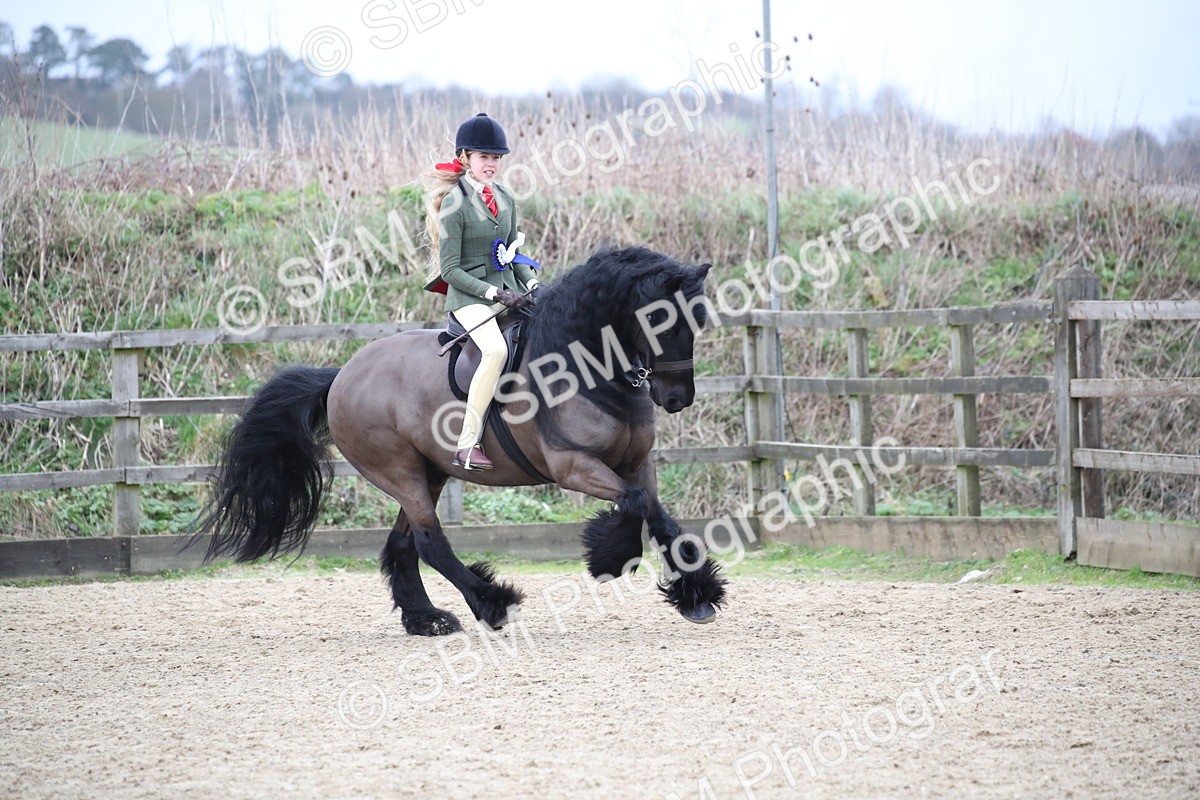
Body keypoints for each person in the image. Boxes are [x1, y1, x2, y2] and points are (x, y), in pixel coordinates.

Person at [422, 112, 540, 471]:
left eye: (496, 158)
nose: (492, 164)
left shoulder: (505, 197)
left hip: (511, 289)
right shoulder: (454, 205)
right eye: (484, 157)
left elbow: (512, 251)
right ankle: (466, 443)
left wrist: (532, 283)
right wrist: (493, 294)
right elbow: (451, 270)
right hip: (471, 298)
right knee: (495, 350)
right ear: (465, 159)